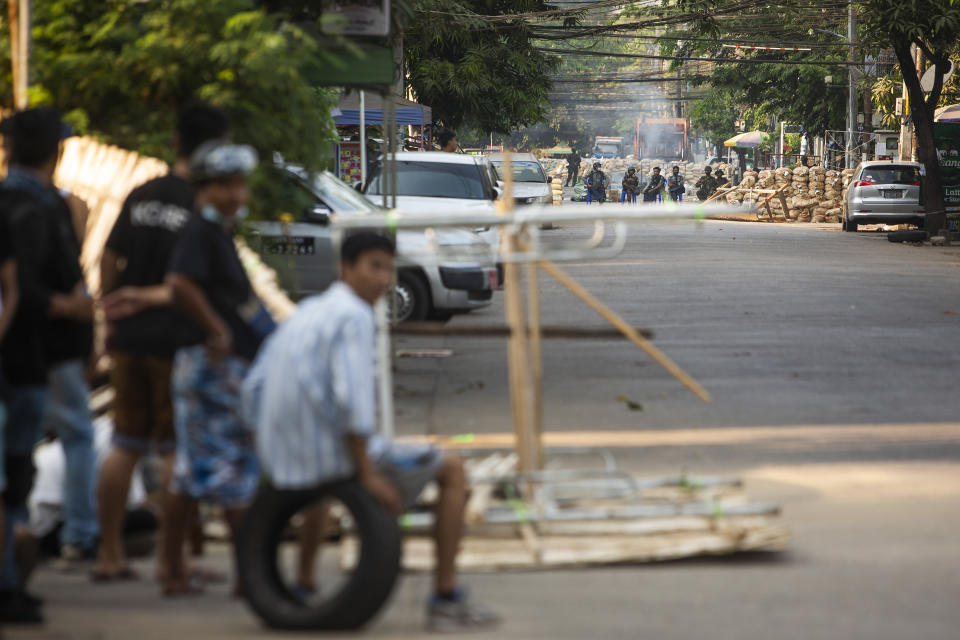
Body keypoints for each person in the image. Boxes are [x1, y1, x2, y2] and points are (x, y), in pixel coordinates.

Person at [243, 232, 500, 632]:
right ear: (346, 268)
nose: (383, 279)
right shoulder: (355, 316)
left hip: (284, 455)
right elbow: (353, 401)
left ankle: (304, 584)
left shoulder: (309, 310)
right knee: (453, 469)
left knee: (318, 488)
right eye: (373, 267)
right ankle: (445, 598)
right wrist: (366, 473)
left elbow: (253, 387)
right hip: (333, 454)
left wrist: (269, 444)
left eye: (389, 268)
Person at [93, 104, 228, 582]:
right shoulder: (203, 206)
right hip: (177, 340)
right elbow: (193, 284)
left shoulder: (141, 193)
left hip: (129, 337)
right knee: (176, 452)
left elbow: (109, 260)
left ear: (175, 141)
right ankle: (178, 561)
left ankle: (109, 555)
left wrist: (114, 308)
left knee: (124, 444)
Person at [161, 140, 268, 596]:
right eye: (225, 186)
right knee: (231, 475)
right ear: (205, 188)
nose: (236, 195)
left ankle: (172, 569)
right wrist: (217, 331)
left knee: (191, 473)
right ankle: (250, 575)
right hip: (209, 367)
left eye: (240, 185)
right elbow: (180, 283)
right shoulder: (198, 232)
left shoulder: (218, 233)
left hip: (215, 366)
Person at [0, 108, 95, 624]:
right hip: (33, 355)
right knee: (19, 469)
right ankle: (62, 545)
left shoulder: (37, 203)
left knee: (19, 467)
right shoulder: (34, 209)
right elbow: (28, 289)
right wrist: (72, 311)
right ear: (54, 152)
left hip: (37, 355)